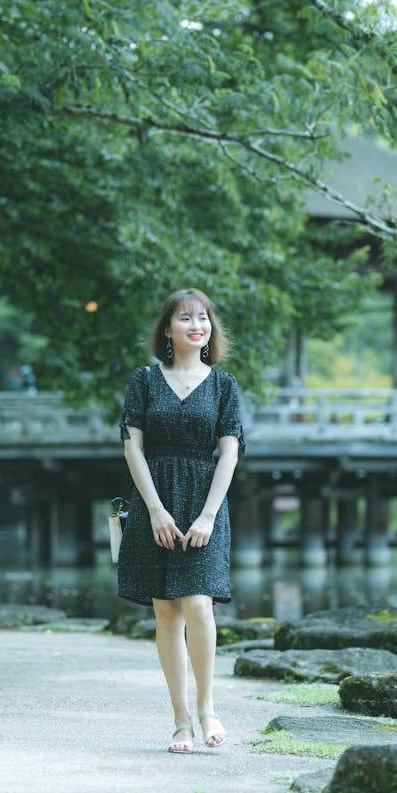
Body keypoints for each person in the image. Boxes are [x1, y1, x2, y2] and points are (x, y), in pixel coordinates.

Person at [118, 288, 244, 753]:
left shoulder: (224, 384)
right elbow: (133, 446)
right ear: (168, 328)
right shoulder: (145, 381)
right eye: (185, 317)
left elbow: (229, 453)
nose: (197, 324)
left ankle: (208, 706)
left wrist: (208, 515)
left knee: (199, 605)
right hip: (155, 499)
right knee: (166, 611)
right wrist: (153, 509)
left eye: (204, 318)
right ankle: (181, 719)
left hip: (205, 502)